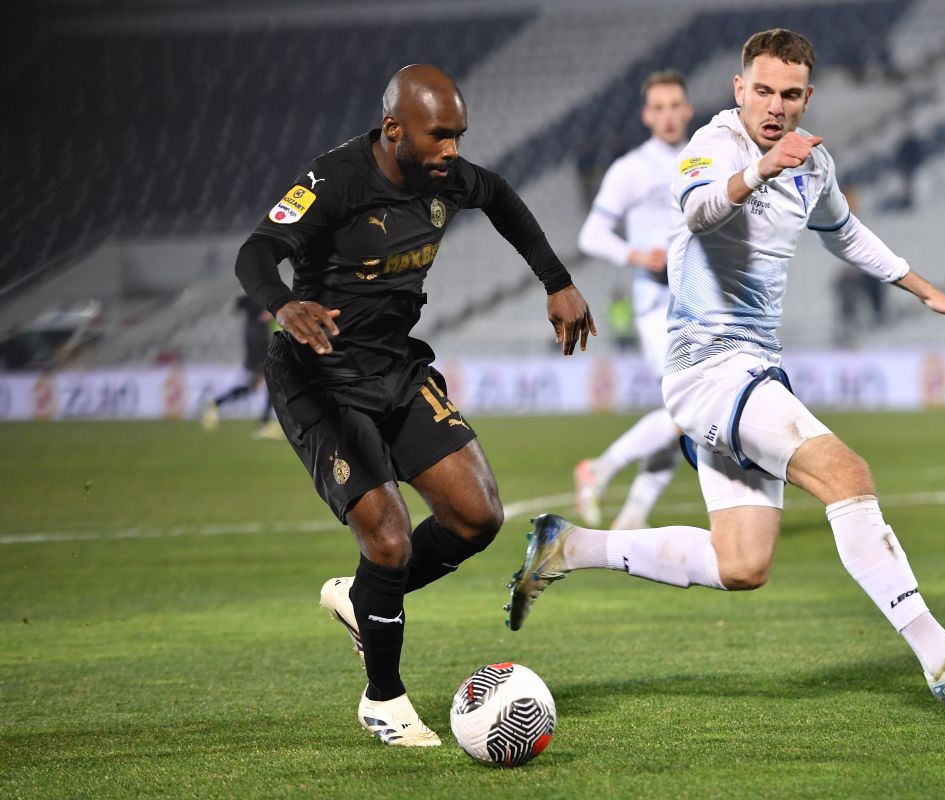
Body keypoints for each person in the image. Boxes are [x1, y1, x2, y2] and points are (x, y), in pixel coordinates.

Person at [507, 29, 945, 711]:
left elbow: (844, 232)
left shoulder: (813, 164)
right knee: (846, 473)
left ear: (807, 96)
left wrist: (926, 290)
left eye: (789, 94)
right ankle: (940, 654)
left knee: (742, 564)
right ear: (738, 89)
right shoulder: (714, 145)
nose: (774, 106)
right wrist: (760, 169)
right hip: (707, 367)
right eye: (762, 91)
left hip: (753, 368)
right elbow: (697, 211)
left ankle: (568, 547)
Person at [234, 64, 595, 747]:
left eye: (458, 135)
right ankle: (383, 699)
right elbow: (256, 251)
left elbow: (502, 197)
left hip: (395, 368)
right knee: (391, 539)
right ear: (394, 128)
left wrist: (557, 281)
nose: (452, 151)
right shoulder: (334, 179)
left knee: (476, 516)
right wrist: (284, 304)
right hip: (318, 376)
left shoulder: (446, 177)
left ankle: (363, 598)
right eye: (439, 136)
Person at [573, 70, 694, 530]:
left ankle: (634, 515)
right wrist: (636, 254)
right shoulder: (632, 168)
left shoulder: (704, 160)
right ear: (647, 115)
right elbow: (591, 234)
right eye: (658, 108)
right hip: (655, 304)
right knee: (687, 409)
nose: (667, 116)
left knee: (683, 413)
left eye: (674, 106)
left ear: (688, 110)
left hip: (698, 302)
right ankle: (601, 469)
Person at [200, 294, 281, 438]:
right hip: (260, 344)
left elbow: (239, 305)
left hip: (255, 342)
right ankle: (265, 424)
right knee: (271, 384)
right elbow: (265, 316)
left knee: (255, 386)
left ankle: (215, 403)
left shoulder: (252, 296)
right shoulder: (259, 299)